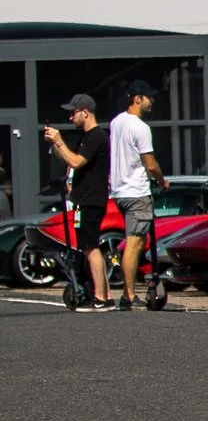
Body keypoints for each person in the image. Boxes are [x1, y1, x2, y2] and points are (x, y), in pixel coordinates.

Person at [42, 94, 113, 310]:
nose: (71, 117)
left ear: (85, 112)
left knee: (91, 247)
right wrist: (55, 145)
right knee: (87, 247)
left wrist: (59, 140)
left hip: (92, 198)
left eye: (74, 112)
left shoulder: (97, 136)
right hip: (83, 198)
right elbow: (69, 160)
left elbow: (76, 161)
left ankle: (101, 298)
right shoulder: (86, 137)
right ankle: (104, 295)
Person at [107, 81, 165, 309]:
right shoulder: (141, 128)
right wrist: (162, 181)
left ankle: (129, 292)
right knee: (134, 243)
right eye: (149, 97)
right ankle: (128, 295)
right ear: (137, 98)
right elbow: (150, 164)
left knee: (138, 241)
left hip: (119, 191)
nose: (152, 101)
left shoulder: (116, 122)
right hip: (136, 192)